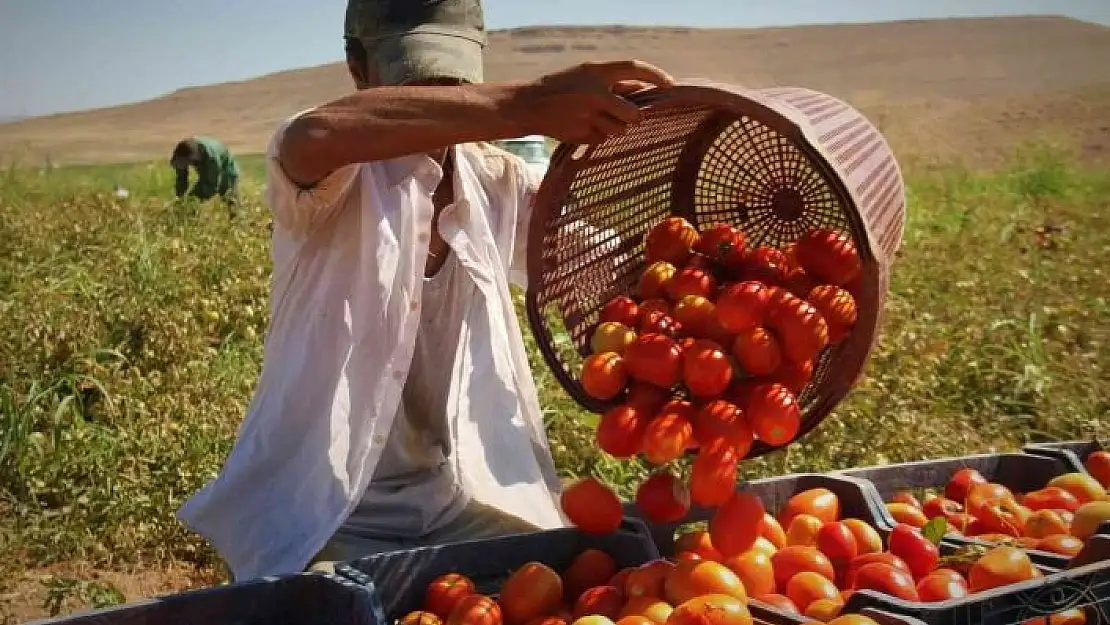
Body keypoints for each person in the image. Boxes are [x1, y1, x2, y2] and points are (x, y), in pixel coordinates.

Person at [174, 0, 674, 583]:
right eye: (419, 78)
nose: (443, 95)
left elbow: (614, 267)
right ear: (359, 69)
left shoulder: (496, 181)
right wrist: (525, 106)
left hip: (451, 504)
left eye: (454, 79)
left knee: (575, 579)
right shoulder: (333, 175)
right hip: (320, 515)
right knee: (346, 604)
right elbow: (312, 135)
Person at [169, 136, 241, 206]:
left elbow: (210, 187)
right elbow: (181, 179)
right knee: (190, 200)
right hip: (204, 160)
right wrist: (180, 198)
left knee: (229, 197)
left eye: (186, 163)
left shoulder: (211, 159)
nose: (184, 166)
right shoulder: (181, 154)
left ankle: (237, 215)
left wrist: (192, 201)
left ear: (193, 157)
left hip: (226, 169)